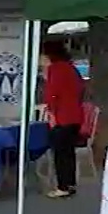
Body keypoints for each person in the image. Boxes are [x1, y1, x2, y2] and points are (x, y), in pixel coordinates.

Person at [42, 41, 86, 199]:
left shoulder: (54, 69)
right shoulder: (71, 68)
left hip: (62, 116)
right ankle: (70, 184)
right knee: (69, 152)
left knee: (60, 153)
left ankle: (62, 186)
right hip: (75, 115)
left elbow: (52, 94)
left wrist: (52, 113)